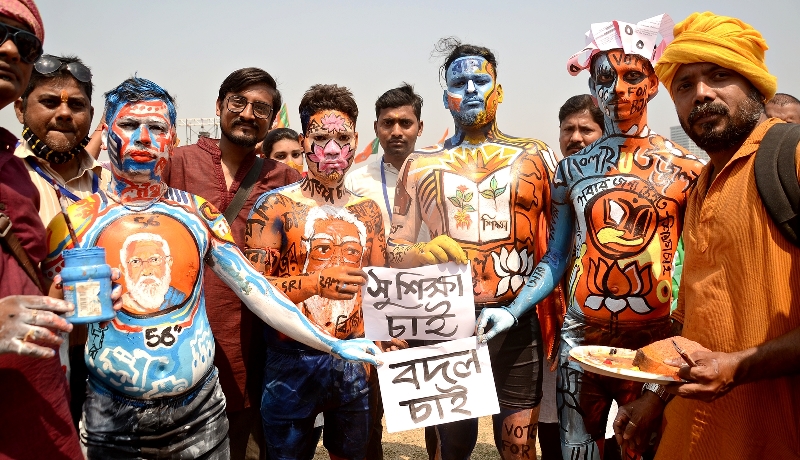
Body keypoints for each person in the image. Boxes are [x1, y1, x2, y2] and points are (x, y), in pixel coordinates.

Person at [43, 77, 380, 459]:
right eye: (128, 125)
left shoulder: (198, 214)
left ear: (171, 136)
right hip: (111, 417)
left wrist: (332, 344)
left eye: (155, 128)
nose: (142, 138)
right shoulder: (74, 224)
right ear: (105, 132)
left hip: (200, 415)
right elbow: (49, 330)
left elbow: (258, 290)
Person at [476, 15, 705, 460]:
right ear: (594, 86)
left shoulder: (688, 170)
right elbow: (557, 257)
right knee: (579, 452)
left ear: (654, 83)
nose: (618, 89)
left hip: (656, 342)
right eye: (605, 77)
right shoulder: (572, 169)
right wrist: (515, 309)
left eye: (632, 76)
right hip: (582, 340)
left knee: (650, 450)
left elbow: (695, 266)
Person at [612, 12, 800, 460]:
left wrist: (739, 367)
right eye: (684, 84)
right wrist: (656, 396)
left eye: (719, 75)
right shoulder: (700, 186)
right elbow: (695, 320)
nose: (701, 93)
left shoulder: (790, 159)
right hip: (694, 435)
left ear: (755, 85)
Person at [389, 39, 559, 460]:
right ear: (445, 97)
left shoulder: (536, 156)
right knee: (453, 446)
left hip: (517, 318)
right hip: (444, 321)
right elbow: (394, 246)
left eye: (480, 80)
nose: (470, 89)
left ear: (498, 90)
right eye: (458, 82)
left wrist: (518, 308)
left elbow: (560, 247)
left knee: (519, 446)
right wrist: (421, 253)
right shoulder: (419, 164)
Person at [245, 83, 386, 460]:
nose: (334, 149)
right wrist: (313, 283)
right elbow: (254, 292)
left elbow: (379, 287)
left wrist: (383, 339)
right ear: (304, 140)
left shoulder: (368, 211)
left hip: (353, 360)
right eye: (322, 137)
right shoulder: (274, 207)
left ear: (357, 139)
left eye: (343, 137)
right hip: (291, 359)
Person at [167, 67, 302, 460]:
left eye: (261, 107)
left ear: (273, 119)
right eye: (238, 102)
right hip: (178, 334)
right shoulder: (176, 163)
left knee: (240, 441)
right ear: (219, 106)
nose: (248, 113)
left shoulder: (285, 179)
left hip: (249, 339)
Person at [0, 1, 84, 458]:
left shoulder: (11, 175)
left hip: (44, 420)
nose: (10, 48)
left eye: (25, 42)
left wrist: (55, 297)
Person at [12, 52, 112, 426]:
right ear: (21, 109)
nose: (65, 113)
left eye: (77, 105)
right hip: (34, 363)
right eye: (50, 102)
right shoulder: (8, 181)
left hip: (106, 360)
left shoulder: (109, 182)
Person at [343, 83, 429, 460]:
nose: (397, 131)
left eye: (405, 123)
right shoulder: (355, 180)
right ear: (376, 128)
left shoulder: (438, 171)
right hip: (372, 305)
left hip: (431, 303)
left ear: (420, 127)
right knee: (368, 405)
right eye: (388, 123)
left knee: (436, 405)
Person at [534, 94, 606, 460]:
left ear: (604, 133)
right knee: (555, 427)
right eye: (568, 129)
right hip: (553, 322)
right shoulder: (548, 186)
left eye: (586, 129)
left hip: (606, 325)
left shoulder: (619, 188)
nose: (575, 137)